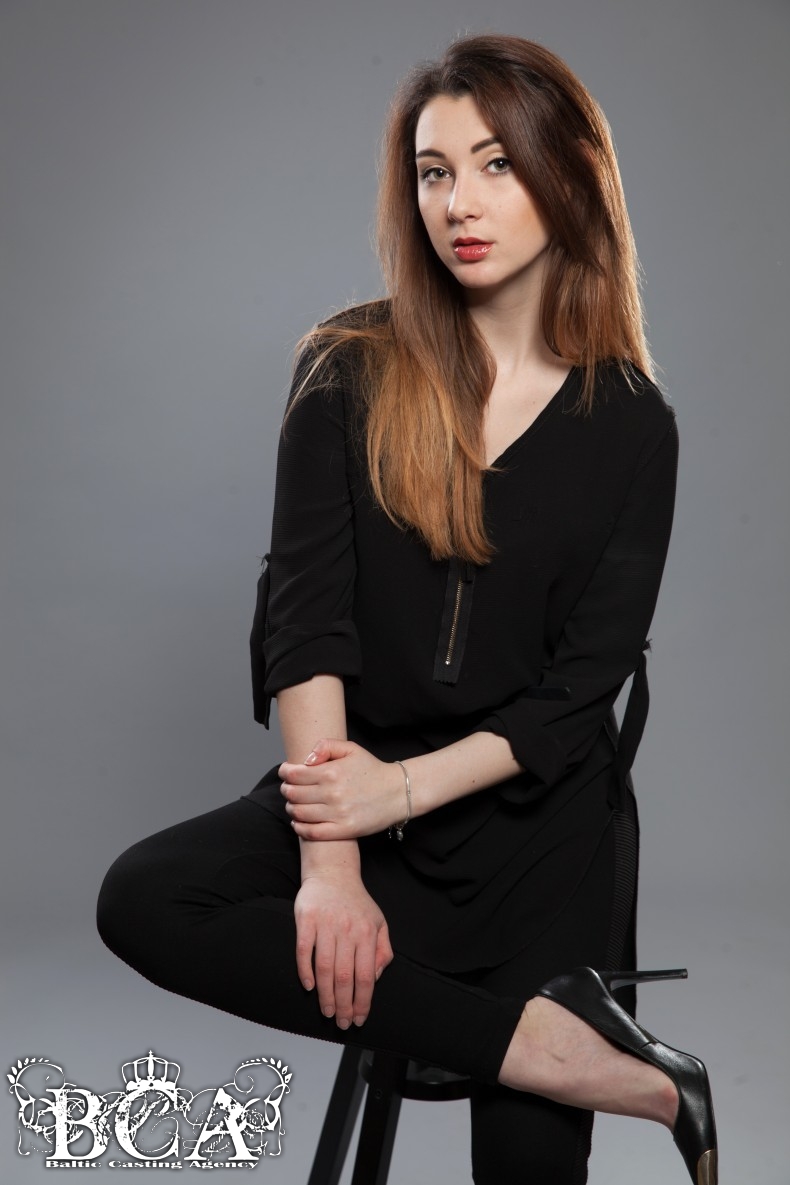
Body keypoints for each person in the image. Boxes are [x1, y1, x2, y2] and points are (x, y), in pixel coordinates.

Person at [97, 33, 717, 1185]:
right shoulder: (349, 365)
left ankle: (544, 1046)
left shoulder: (633, 424)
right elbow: (305, 621)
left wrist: (406, 788)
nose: (458, 203)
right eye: (434, 172)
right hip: (354, 800)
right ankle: (568, 1056)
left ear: (569, 177)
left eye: (495, 165)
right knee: (144, 898)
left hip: (537, 842)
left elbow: (577, 694)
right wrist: (332, 864)